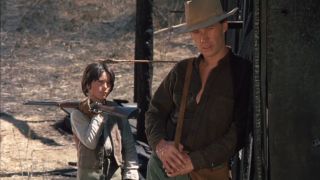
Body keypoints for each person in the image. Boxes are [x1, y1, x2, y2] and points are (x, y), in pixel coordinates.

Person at [145, 0, 252, 179]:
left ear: (224, 26)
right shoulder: (182, 70)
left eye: (209, 28)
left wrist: (195, 161)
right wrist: (161, 145)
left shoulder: (241, 72)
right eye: (196, 31)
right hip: (162, 168)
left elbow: (239, 132)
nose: (203, 38)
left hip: (207, 173)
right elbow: (154, 112)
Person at [71, 61, 139, 180]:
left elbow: (129, 144)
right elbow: (90, 142)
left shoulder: (116, 110)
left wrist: (131, 171)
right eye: (101, 82)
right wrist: (99, 114)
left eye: (109, 82)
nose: (106, 87)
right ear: (88, 85)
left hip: (114, 172)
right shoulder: (78, 114)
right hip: (89, 174)